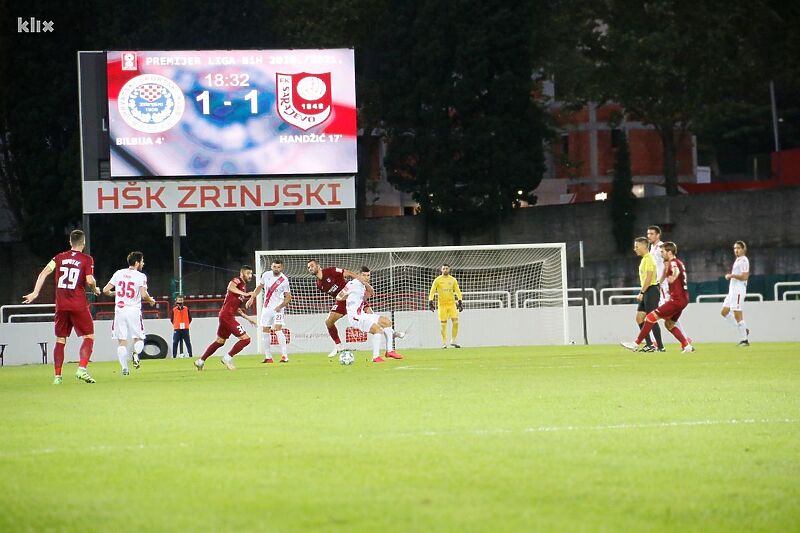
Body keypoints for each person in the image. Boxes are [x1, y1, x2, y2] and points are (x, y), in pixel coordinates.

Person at [22, 229, 100, 384]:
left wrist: (35, 293)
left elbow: (43, 273)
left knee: (60, 339)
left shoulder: (58, 258)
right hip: (78, 304)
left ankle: (57, 377)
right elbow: (90, 281)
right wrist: (95, 289)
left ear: (70, 242)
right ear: (83, 243)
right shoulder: (87, 259)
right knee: (89, 336)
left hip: (61, 305)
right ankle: (82, 369)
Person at [622, 242, 694, 353]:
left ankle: (636, 344)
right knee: (669, 324)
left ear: (669, 252)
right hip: (683, 299)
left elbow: (675, 270)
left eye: (663, 251)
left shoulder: (673, 262)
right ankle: (686, 346)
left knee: (650, 317)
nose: (661, 254)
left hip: (677, 300)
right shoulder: (678, 262)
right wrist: (661, 282)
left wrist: (673, 277)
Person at [102, 251, 157, 375]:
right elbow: (143, 294)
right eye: (142, 261)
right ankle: (136, 354)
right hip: (133, 310)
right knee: (139, 338)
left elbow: (105, 290)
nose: (143, 263)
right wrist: (150, 300)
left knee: (122, 341)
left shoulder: (119, 273)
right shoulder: (141, 276)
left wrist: (114, 293)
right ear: (137, 263)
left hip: (120, 310)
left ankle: (124, 368)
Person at [335, 267, 404, 363]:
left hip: (362, 315)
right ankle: (376, 357)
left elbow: (366, 296)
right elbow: (339, 297)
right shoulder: (352, 284)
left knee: (386, 322)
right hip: (355, 317)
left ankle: (390, 351)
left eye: (368, 275)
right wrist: (348, 297)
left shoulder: (363, 286)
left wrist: (366, 294)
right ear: (359, 275)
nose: (366, 277)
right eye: (364, 275)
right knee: (377, 330)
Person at [194, 265, 257, 371]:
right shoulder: (237, 281)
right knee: (246, 339)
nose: (250, 276)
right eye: (248, 273)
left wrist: (247, 318)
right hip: (227, 316)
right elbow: (230, 287)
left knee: (220, 341)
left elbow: (236, 308)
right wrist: (245, 294)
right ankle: (227, 358)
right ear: (242, 274)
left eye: (251, 273)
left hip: (226, 315)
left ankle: (200, 361)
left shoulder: (243, 287)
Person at [647, 225, 691, 347]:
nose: (649, 236)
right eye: (648, 234)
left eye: (651, 234)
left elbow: (668, 264)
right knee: (668, 317)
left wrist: (664, 280)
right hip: (660, 285)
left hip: (666, 287)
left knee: (657, 314)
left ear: (658, 235)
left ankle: (653, 341)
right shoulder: (652, 248)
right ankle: (685, 340)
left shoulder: (662, 248)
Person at [306, 259, 360, 357]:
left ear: (318, 266)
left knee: (369, 316)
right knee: (328, 322)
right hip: (341, 301)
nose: (310, 268)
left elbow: (349, 273)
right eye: (309, 267)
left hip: (351, 295)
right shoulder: (319, 284)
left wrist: (361, 284)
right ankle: (339, 346)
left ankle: (389, 334)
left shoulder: (331, 271)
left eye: (312, 266)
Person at [248, 259, 292, 363]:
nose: (276, 269)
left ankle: (284, 356)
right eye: (274, 267)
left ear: (282, 268)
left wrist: (280, 306)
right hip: (266, 308)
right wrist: (252, 297)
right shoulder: (266, 275)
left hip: (278, 309)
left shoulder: (284, 280)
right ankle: (268, 357)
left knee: (278, 329)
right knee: (265, 331)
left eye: (278, 267)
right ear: (271, 267)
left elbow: (288, 297)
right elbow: (259, 287)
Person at [633, 237, 663, 352]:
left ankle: (660, 346)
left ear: (644, 246)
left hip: (651, 290)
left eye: (637, 246)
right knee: (639, 317)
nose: (635, 249)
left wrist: (642, 292)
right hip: (648, 290)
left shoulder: (649, 259)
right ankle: (649, 344)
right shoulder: (644, 259)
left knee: (651, 318)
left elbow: (649, 277)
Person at [721, 240, 750, 346]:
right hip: (732, 291)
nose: (736, 250)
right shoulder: (738, 260)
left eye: (738, 248)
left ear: (743, 249)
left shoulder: (743, 260)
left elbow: (745, 276)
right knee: (724, 312)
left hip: (738, 291)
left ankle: (744, 340)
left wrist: (731, 275)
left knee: (737, 313)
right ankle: (744, 329)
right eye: (734, 248)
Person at [428, 263, 464, 348]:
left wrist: (460, 301)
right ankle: (444, 343)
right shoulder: (437, 280)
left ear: (449, 269)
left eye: (447, 268)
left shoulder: (453, 280)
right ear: (441, 270)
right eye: (443, 269)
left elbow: (457, 291)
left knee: (456, 321)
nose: (445, 270)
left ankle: (453, 340)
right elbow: (432, 291)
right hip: (442, 305)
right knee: (443, 324)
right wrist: (430, 301)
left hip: (451, 304)